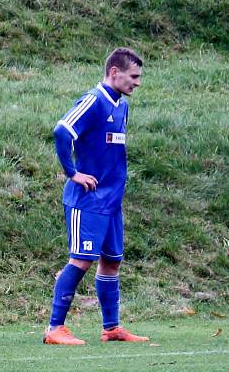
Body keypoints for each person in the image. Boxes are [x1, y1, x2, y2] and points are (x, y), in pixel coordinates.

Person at [44, 48, 148, 345]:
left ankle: (111, 328)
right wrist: (72, 172)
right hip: (87, 200)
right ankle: (54, 329)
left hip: (112, 202)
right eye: (133, 76)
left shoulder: (122, 106)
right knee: (81, 260)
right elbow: (62, 131)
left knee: (111, 262)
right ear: (114, 72)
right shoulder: (92, 101)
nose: (137, 83)